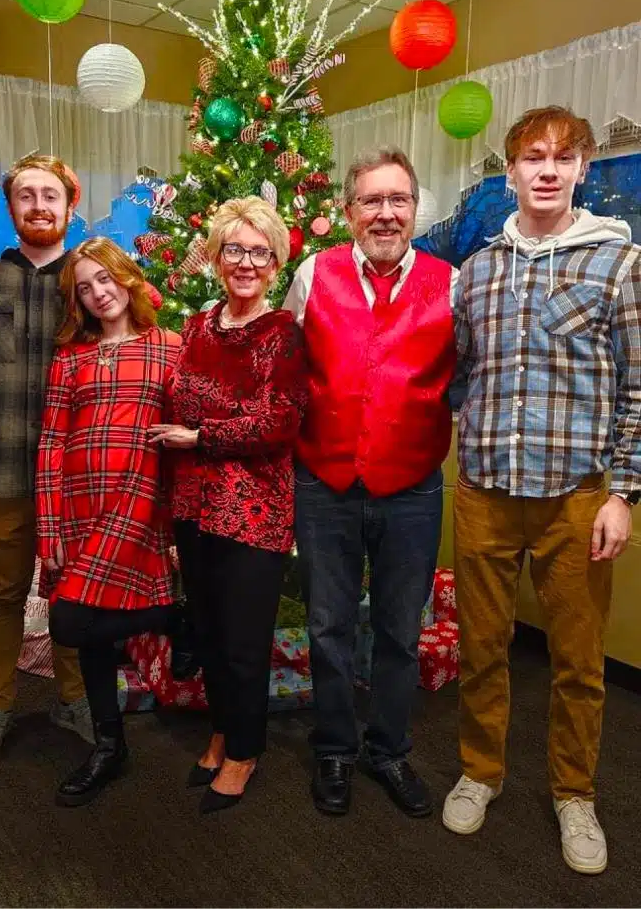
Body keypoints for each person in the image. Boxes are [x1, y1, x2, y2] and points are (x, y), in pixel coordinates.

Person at [443, 106, 641, 876]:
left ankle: (574, 793)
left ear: (584, 168)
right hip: (485, 489)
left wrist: (623, 491)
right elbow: (457, 370)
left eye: (563, 156)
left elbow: (637, 388)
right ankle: (479, 769)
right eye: (532, 156)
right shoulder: (479, 270)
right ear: (513, 170)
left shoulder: (618, 264)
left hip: (578, 497)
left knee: (578, 659)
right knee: (482, 646)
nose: (547, 169)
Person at [283, 148, 458, 818]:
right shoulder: (312, 273)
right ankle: (333, 747)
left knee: (398, 629)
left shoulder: (451, 281)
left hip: (412, 484)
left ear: (414, 208)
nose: (386, 213)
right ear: (348, 211)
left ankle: (387, 748)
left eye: (398, 200)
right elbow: (286, 367)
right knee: (326, 624)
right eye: (372, 201)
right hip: (324, 480)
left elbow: (470, 371)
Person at [150, 196, 307, 815]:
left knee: (244, 639)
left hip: (254, 512)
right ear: (216, 257)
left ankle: (245, 748)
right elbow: (177, 404)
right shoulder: (196, 327)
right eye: (234, 249)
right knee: (211, 632)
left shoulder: (283, 334)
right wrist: (196, 437)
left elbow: (281, 420)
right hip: (193, 505)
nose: (246, 262)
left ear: (275, 265)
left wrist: (203, 436)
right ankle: (221, 729)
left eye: (259, 253)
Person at [36, 237, 181, 807]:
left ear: (128, 278)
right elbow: (51, 443)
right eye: (85, 287)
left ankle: (179, 618)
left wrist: (175, 527)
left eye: (106, 279)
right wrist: (50, 528)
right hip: (81, 508)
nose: (99, 293)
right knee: (73, 625)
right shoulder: (71, 357)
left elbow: (184, 437)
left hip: (142, 506)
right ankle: (108, 743)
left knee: (81, 621)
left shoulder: (170, 347)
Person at [0, 154, 89, 771]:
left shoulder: (92, 283)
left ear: (70, 205)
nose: (39, 205)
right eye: (26, 196)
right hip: (4, 475)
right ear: (11, 208)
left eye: (50, 195)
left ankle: (75, 699)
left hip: (78, 483)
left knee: (74, 595)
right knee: (1, 596)